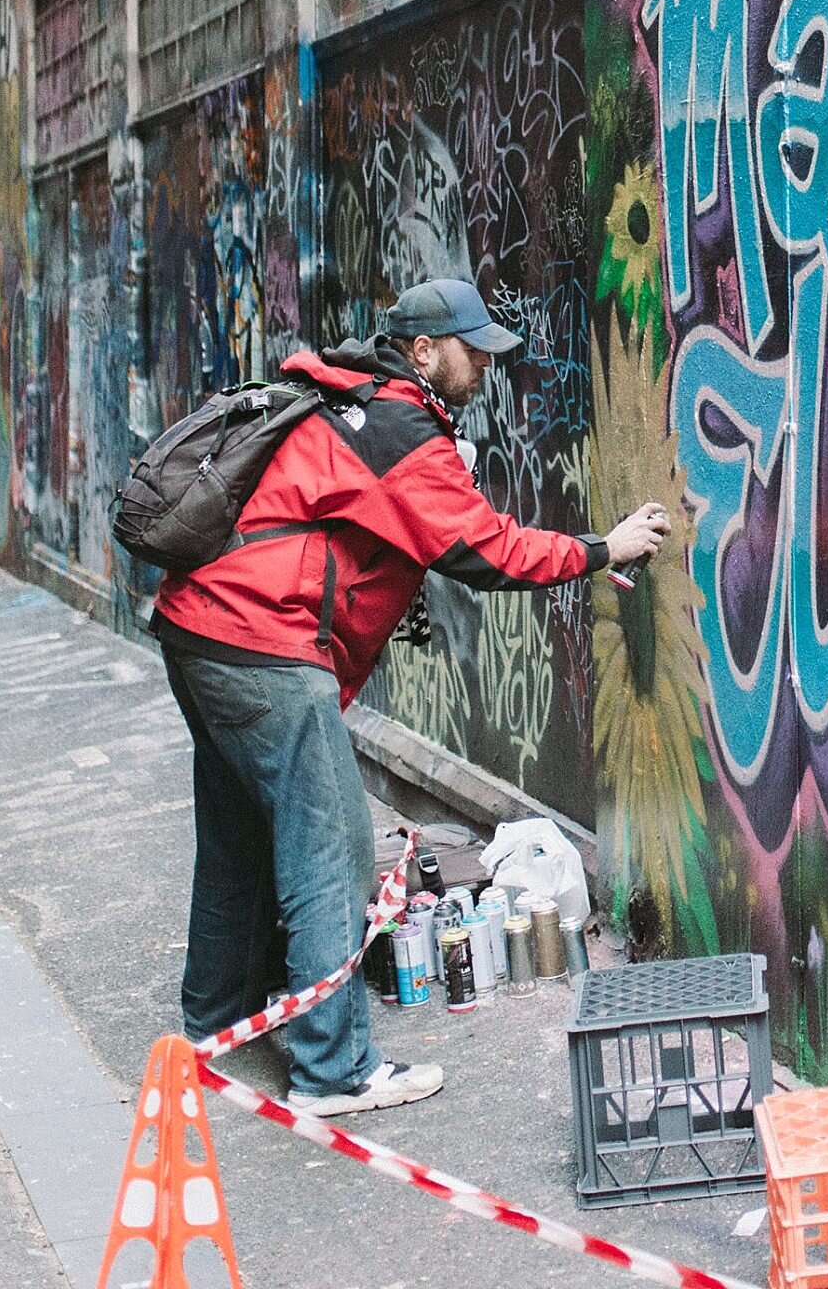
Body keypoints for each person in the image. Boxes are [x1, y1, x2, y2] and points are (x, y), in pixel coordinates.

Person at [152, 277, 668, 1116]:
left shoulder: (355, 405)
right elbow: (485, 550)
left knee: (241, 833)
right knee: (332, 850)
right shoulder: (397, 427)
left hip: (203, 628)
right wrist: (601, 548)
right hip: (261, 641)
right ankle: (335, 1072)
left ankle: (219, 1020)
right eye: (473, 351)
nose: (485, 368)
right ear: (424, 352)